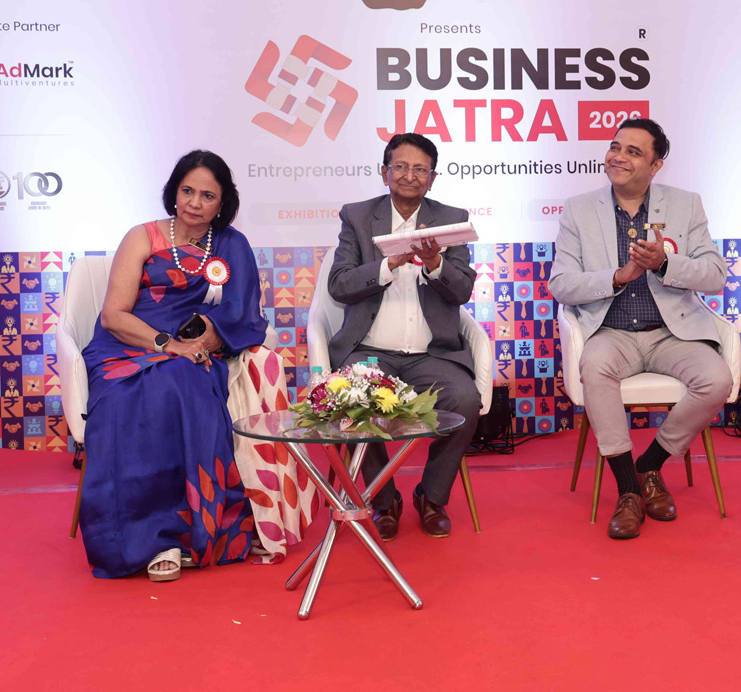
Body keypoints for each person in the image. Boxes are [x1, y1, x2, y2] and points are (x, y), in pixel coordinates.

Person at [80, 150, 315, 581]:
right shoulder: (142, 237)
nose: (194, 202)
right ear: (174, 191)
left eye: (207, 195)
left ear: (222, 203)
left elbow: (243, 313)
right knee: (132, 396)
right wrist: (167, 344)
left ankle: (189, 532)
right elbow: (113, 315)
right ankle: (145, 536)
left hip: (195, 353)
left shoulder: (231, 245)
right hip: (126, 347)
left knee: (184, 382)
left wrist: (208, 337)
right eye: (187, 190)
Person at [548, 118, 732, 539]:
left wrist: (665, 264)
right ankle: (629, 489)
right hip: (610, 333)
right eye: (615, 147)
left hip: (672, 332)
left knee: (717, 379)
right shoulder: (579, 209)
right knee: (595, 367)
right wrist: (617, 276)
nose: (618, 157)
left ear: (656, 165)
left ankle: (650, 465)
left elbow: (715, 275)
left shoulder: (686, 205)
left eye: (633, 152)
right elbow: (560, 284)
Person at [327, 132, 480, 540]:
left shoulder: (452, 218)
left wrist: (435, 264)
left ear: (432, 178)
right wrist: (388, 265)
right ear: (385, 172)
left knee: (465, 399)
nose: (409, 176)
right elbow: (339, 285)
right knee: (349, 399)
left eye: (420, 169)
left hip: (432, 356)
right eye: (401, 167)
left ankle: (431, 497)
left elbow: (463, 290)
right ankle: (384, 500)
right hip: (370, 354)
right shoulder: (358, 216)